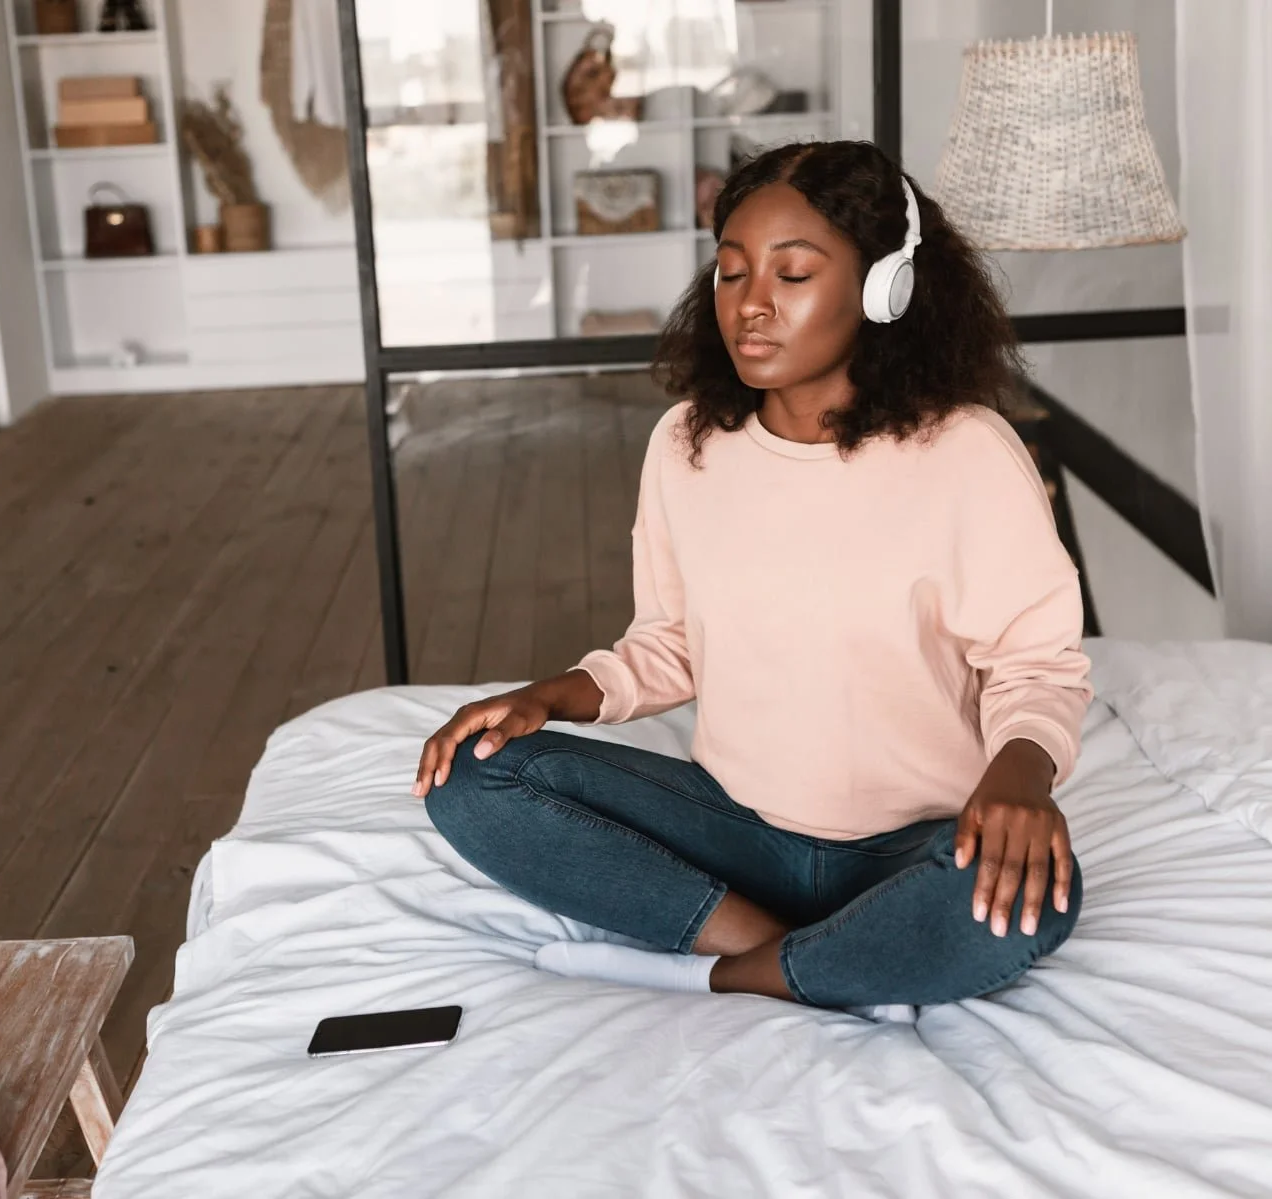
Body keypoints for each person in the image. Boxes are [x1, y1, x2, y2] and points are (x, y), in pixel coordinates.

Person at [413, 140, 1092, 1012]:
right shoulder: (687, 443)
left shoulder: (967, 453)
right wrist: (549, 696)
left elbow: (1037, 667)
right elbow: (671, 643)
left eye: (793, 273)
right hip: (735, 829)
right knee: (471, 775)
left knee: (1035, 900)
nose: (752, 304)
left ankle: (726, 969)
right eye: (731, 272)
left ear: (885, 286)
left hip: (913, 845)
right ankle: (804, 953)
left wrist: (1019, 780)